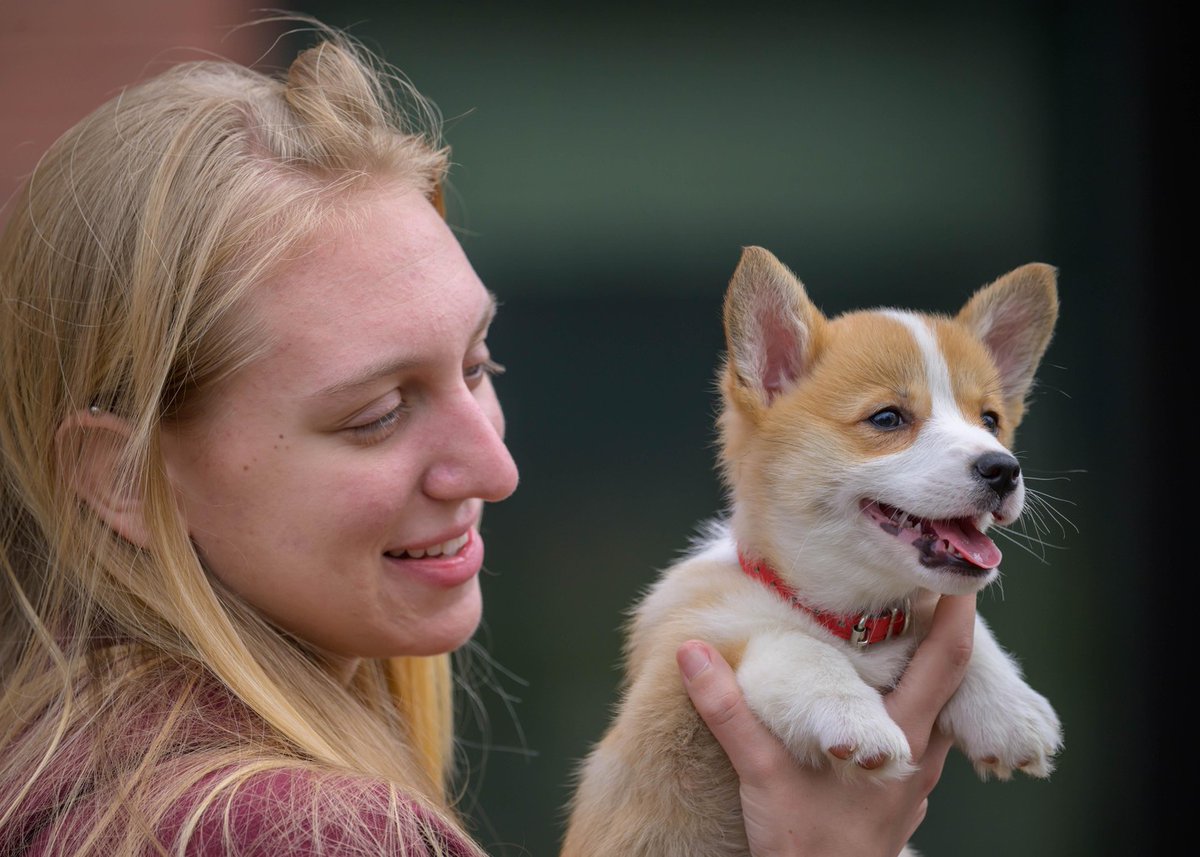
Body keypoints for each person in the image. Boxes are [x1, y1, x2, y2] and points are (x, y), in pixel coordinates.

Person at [0, 24, 976, 857]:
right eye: (375, 414)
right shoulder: (302, 830)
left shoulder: (60, 768)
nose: (497, 470)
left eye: (479, 366)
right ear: (121, 476)